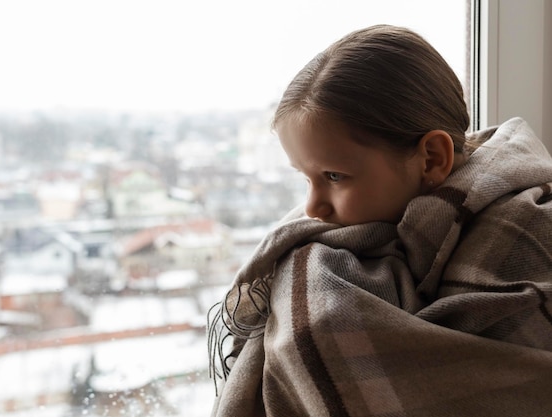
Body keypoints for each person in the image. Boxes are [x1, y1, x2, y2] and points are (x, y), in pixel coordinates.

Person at [208, 24, 552, 417]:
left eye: (334, 177)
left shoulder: (529, 237)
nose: (312, 208)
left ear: (433, 158)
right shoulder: (316, 254)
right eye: (306, 178)